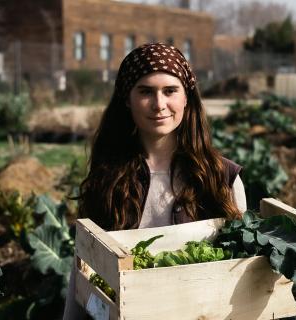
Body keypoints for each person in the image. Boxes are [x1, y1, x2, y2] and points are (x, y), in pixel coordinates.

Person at [63, 42, 247, 319]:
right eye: (146, 91)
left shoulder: (222, 179)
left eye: (170, 91)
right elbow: (84, 268)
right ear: (127, 99)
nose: (159, 104)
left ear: (187, 97)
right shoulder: (108, 181)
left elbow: (243, 273)